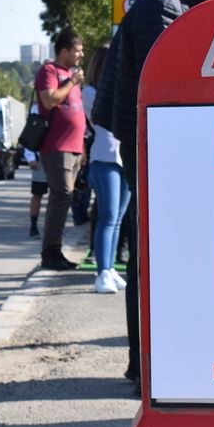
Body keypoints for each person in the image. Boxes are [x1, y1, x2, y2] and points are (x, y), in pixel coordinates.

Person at [93, 0, 214, 388]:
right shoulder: (162, 5)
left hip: (155, 144)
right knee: (151, 254)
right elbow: (165, 88)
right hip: (156, 147)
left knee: (156, 251)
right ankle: (145, 360)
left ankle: (150, 358)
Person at [35, 29, 87, 270]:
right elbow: (49, 100)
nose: (81, 54)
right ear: (64, 51)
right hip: (57, 147)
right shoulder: (50, 71)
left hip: (74, 148)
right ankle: (50, 252)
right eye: (77, 50)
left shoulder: (70, 75)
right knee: (61, 196)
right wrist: (71, 82)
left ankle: (55, 250)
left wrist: (83, 147)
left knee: (64, 198)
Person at [84, 43, 128, 295]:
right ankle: (102, 272)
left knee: (118, 218)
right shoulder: (89, 93)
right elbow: (108, 116)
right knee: (108, 217)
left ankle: (109, 268)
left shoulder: (112, 90)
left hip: (122, 158)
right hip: (105, 158)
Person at [24, 143, 46, 238]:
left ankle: (54, 228)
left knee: (58, 196)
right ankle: (33, 226)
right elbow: (31, 138)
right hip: (41, 162)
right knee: (37, 195)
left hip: (58, 161)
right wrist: (31, 158)